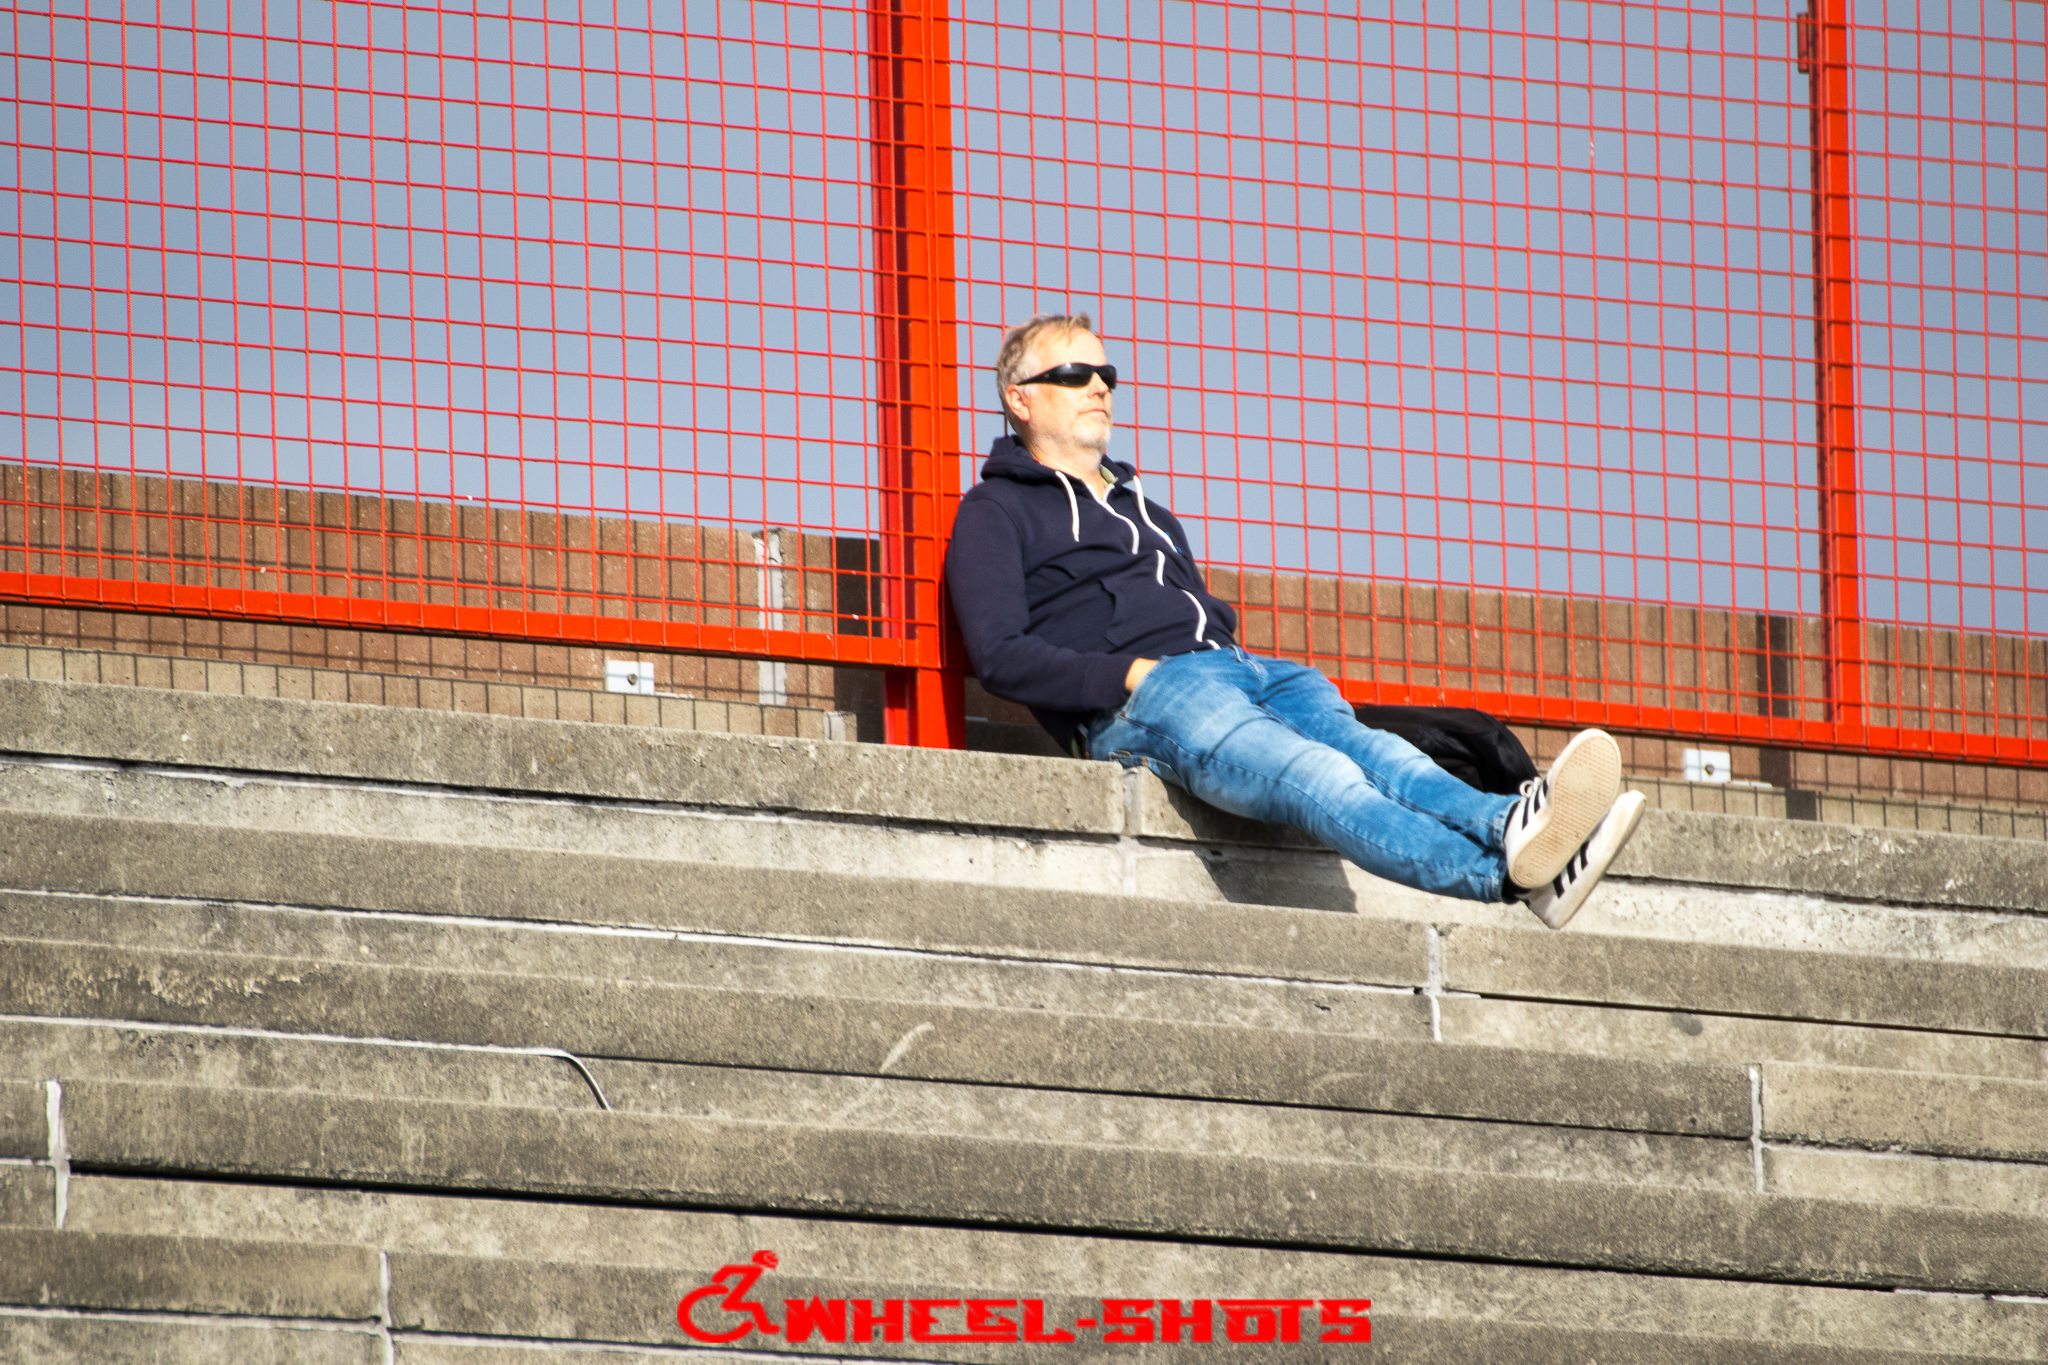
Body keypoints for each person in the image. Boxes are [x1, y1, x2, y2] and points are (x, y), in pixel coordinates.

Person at [943, 314, 1647, 928]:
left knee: (1378, 752)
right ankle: (1505, 878)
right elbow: (1001, 655)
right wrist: (1131, 674)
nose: (1099, 386)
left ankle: (1512, 823)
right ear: (1019, 398)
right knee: (1321, 775)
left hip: (1247, 671)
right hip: (1148, 698)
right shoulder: (994, 511)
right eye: (1074, 373)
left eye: (1107, 374)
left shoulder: (1149, 512)